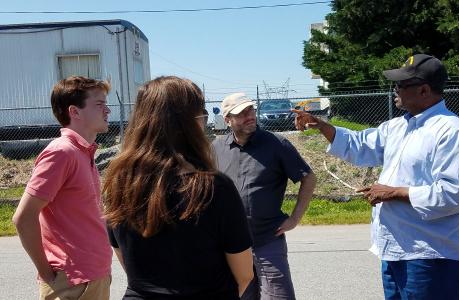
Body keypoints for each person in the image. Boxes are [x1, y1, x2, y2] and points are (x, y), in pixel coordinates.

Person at [293, 54, 459, 300]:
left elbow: (452, 195)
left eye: (401, 85)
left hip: (430, 256)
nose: (395, 89)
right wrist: (322, 126)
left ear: (424, 90)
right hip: (394, 251)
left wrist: (393, 192)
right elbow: (360, 145)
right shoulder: (399, 126)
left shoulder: (454, 133)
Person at [103, 76, 254, 299]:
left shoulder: (118, 183)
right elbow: (244, 275)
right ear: (189, 122)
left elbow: (130, 265)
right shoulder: (214, 187)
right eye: (200, 114)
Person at [12, 76, 113, 299]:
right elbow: (23, 217)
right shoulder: (61, 153)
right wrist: (48, 275)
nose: (108, 111)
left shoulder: (83, 152)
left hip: (92, 277)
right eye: (99, 104)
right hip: (73, 284)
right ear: (74, 112)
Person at [212, 93, 317, 299]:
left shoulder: (276, 144)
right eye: (240, 113)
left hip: (267, 239)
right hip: (232, 246)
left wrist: (295, 218)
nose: (249, 115)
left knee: (279, 296)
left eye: (250, 110)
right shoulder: (216, 148)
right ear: (227, 120)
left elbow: (309, 178)